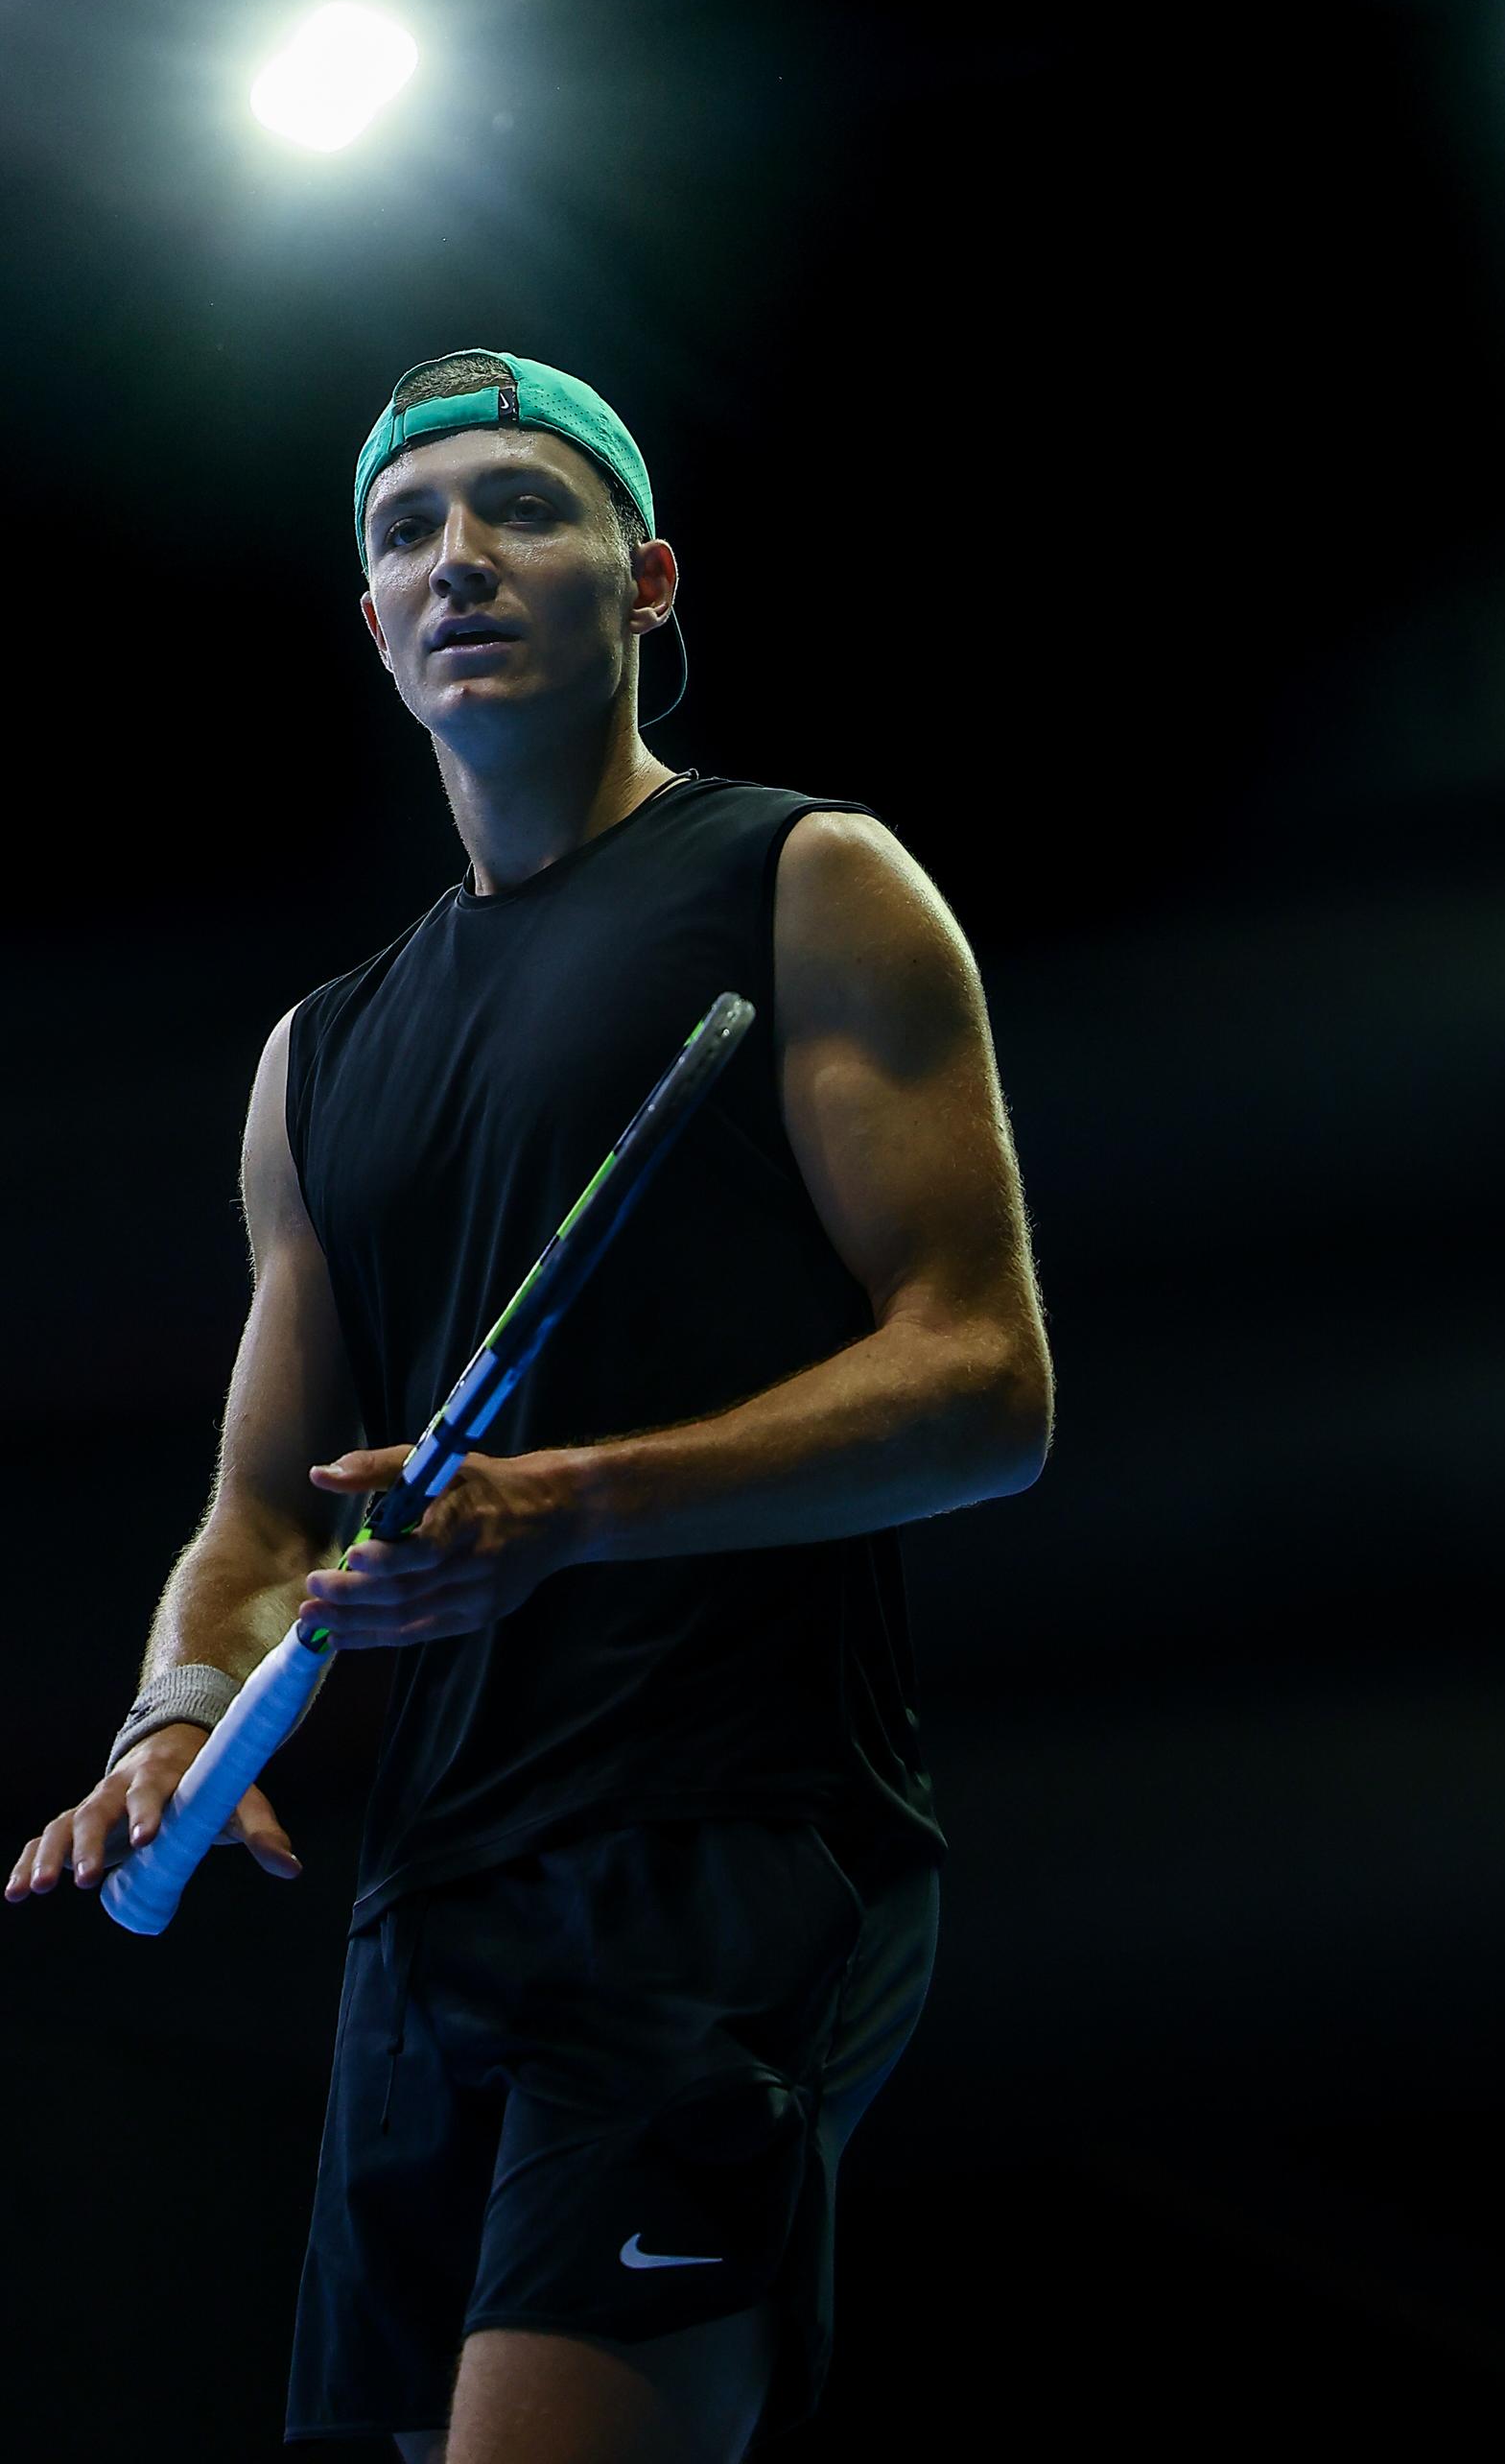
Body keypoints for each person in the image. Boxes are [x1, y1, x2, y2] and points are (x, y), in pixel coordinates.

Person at [6, 347, 1054, 2464]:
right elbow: (257, 1513)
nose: (459, 559)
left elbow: (983, 1382)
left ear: (646, 578)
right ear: (372, 628)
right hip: (436, 1903)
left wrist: (563, 1505)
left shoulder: (808, 880)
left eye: (523, 509)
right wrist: (173, 1716)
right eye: (408, 533)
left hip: (725, 1841)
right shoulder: (320, 1058)